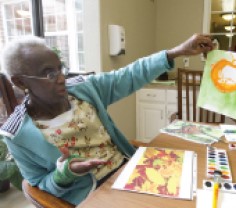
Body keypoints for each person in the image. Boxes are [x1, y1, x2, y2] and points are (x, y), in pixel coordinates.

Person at [0, 33, 213, 205]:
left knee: (198, 189)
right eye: (49, 74)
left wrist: (177, 52)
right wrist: (65, 173)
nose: (61, 78)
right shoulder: (16, 134)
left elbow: (130, 75)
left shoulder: (84, 88)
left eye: (60, 68)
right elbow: (38, 183)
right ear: (20, 82)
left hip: (128, 171)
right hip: (91, 195)